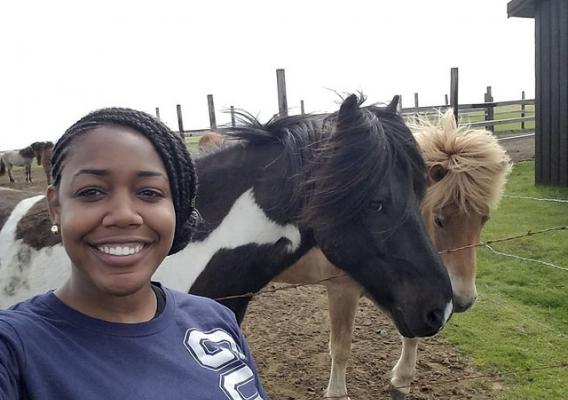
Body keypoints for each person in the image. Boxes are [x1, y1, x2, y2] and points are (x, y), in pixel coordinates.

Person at [0, 108, 268, 400]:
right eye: (91, 192)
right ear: (55, 207)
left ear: (176, 209)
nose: (124, 215)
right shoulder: (13, 348)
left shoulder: (215, 319)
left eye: (150, 192)